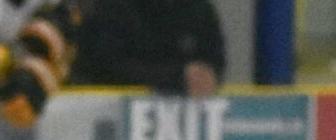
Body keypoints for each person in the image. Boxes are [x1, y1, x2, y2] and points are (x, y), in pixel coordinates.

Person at [67, 0, 223, 96]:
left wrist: (205, 76)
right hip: (110, 110)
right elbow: (107, 66)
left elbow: (215, 60)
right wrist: (176, 78)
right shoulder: (114, 7)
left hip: (188, 115)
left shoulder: (199, 10)